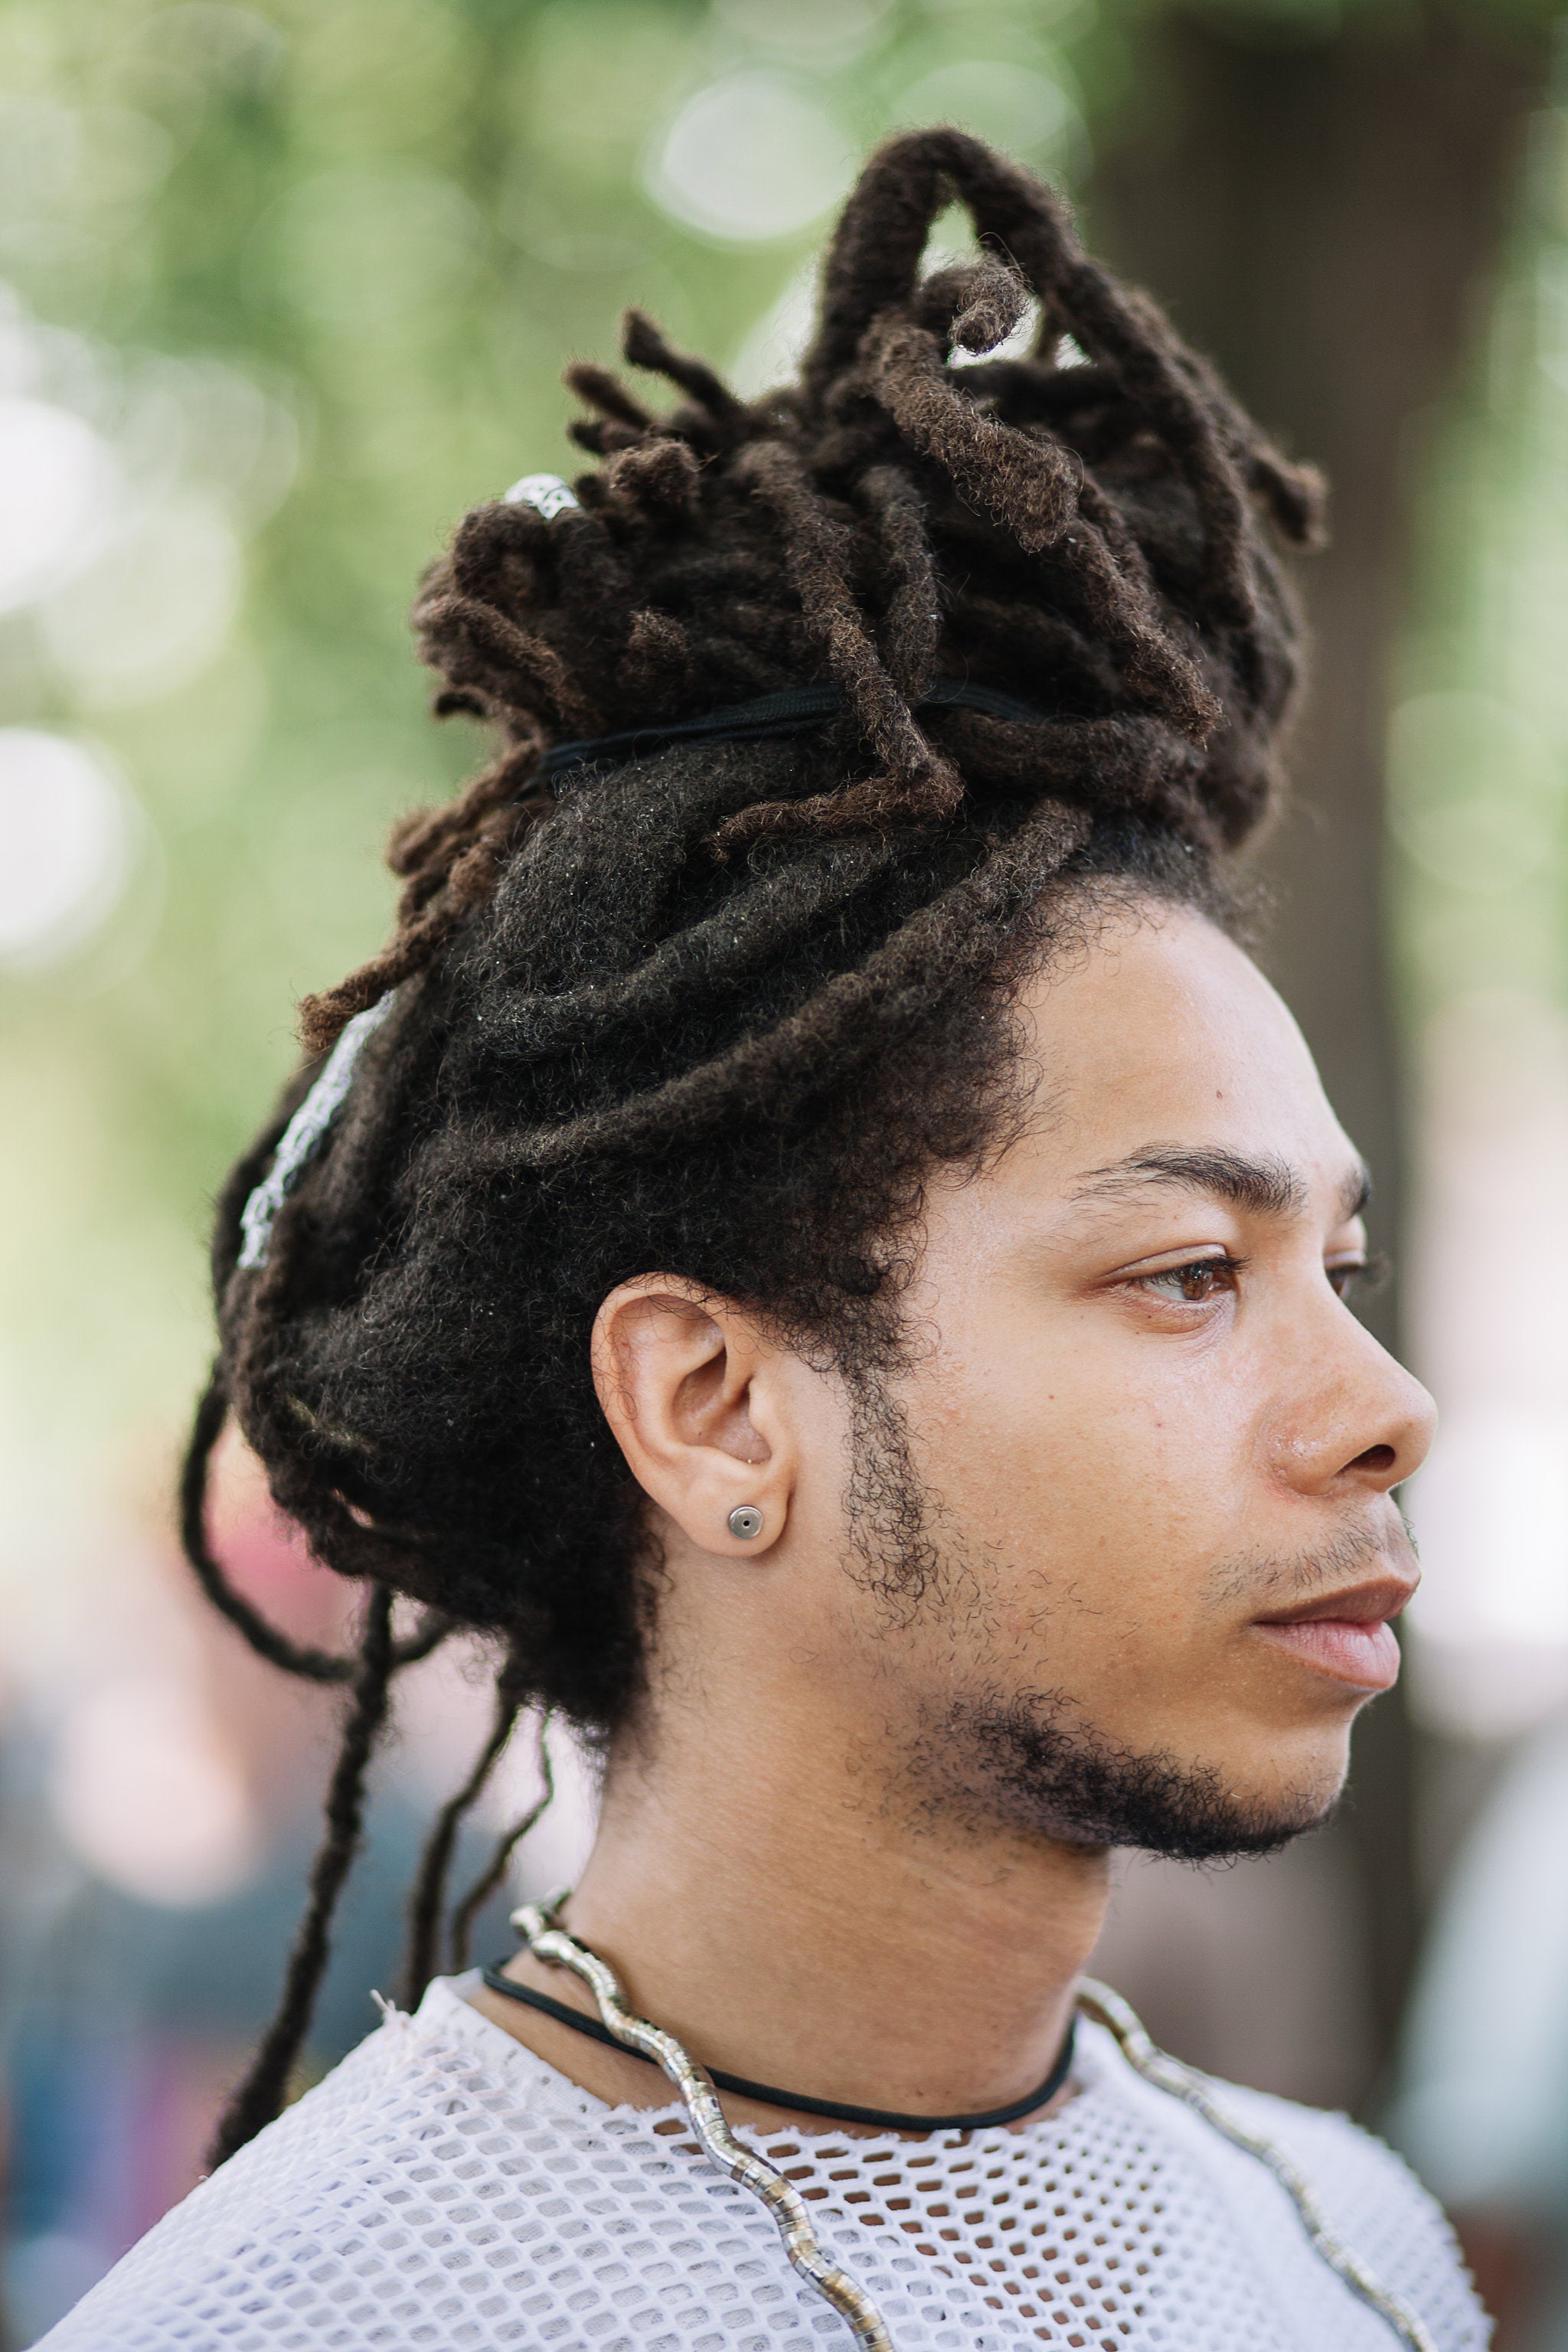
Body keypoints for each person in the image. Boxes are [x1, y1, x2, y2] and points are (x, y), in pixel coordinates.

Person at [38, 129, 1485, 2352]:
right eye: (1191, 1274)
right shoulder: (316, 2320)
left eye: (1341, 1275)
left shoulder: (1345, 2248)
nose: (1383, 1414)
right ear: (718, 1406)